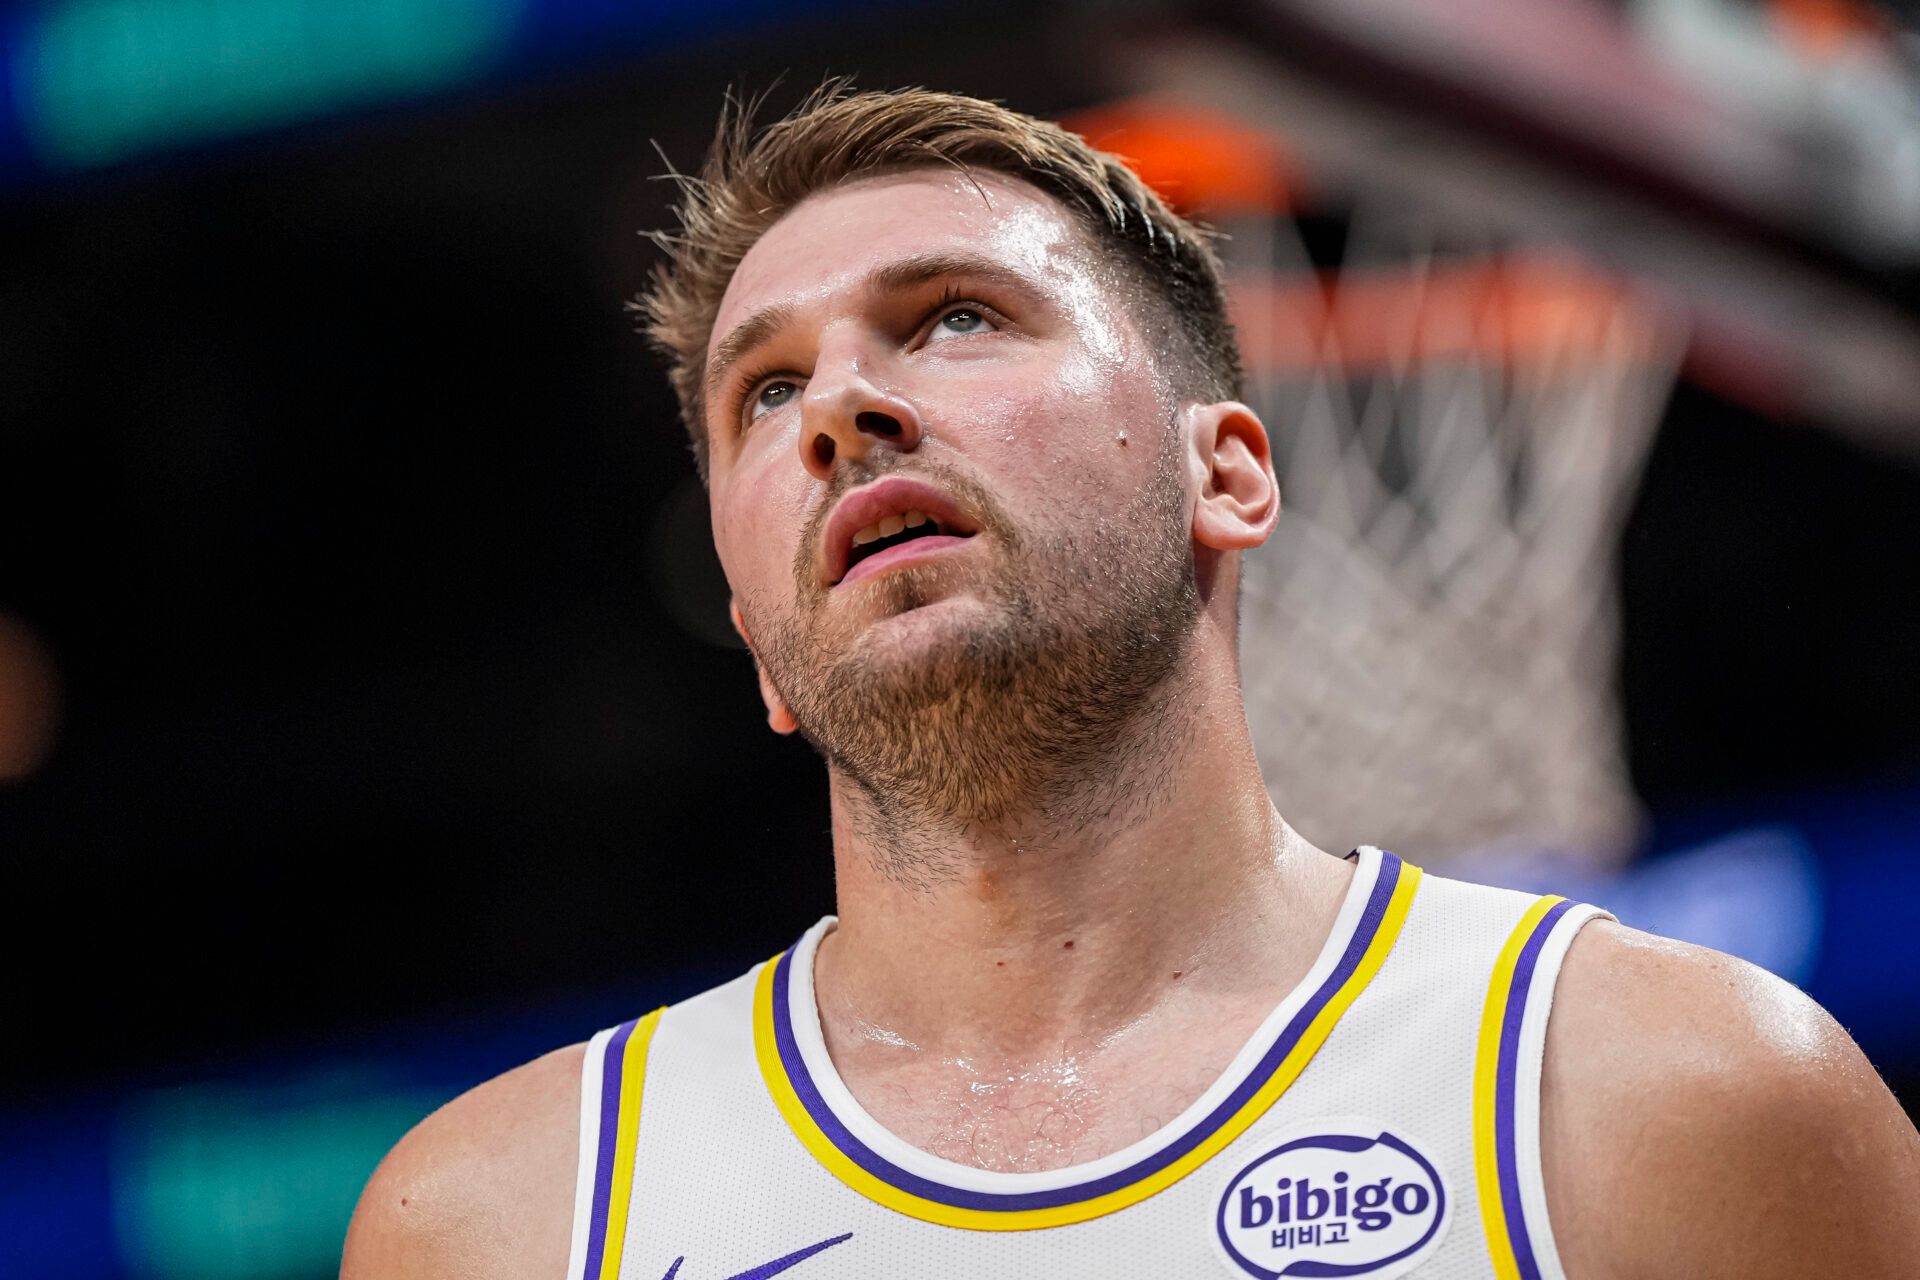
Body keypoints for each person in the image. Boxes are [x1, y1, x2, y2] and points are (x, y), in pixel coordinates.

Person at [341, 86, 1920, 1280]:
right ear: (757, 638)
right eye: (765, 390)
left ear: (1224, 472)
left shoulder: (1680, 1096)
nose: (841, 408)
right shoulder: (502, 1218)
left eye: (955, 316)